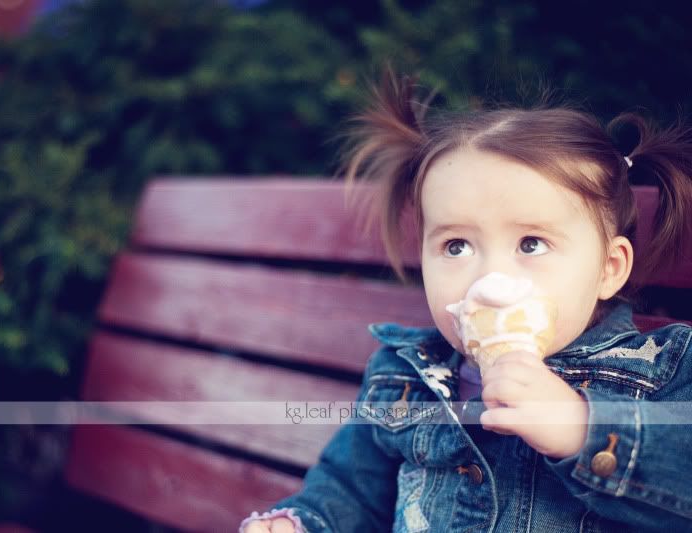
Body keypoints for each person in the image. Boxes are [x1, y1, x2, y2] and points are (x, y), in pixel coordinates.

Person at [239, 67, 692, 532]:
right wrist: (302, 523)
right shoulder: (403, 374)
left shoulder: (663, 371)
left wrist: (583, 430)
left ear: (608, 268)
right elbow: (351, 491)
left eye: (531, 244)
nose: (490, 278)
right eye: (456, 246)